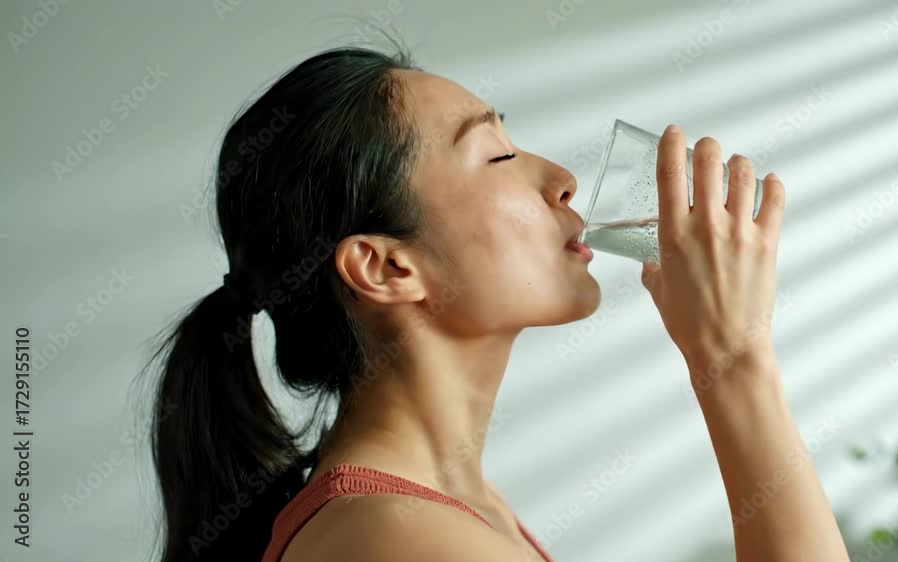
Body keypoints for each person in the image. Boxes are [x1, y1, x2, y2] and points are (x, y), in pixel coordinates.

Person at [143, 38, 850, 562]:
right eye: (498, 155)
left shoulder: (453, 509)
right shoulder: (390, 536)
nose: (563, 179)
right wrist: (732, 357)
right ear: (385, 267)